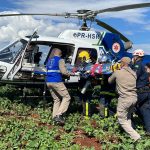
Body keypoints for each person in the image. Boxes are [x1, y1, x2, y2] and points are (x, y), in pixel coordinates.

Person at [108, 57, 141, 141]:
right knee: (128, 117)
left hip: (124, 99)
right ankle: (130, 137)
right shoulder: (134, 73)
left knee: (121, 119)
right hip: (134, 98)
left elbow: (109, 81)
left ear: (122, 63)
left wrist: (114, 71)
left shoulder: (118, 72)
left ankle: (136, 137)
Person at [46, 48, 71, 125]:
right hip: (56, 81)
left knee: (56, 99)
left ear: (54, 53)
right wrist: (68, 74)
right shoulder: (60, 60)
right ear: (60, 54)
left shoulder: (49, 60)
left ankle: (54, 117)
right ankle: (59, 115)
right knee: (67, 97)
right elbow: (63, 72)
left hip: (48, 82)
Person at [131, 49, 150, 135]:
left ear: (137, 56)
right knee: (144, 110)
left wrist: (131, 65)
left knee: (130, 109)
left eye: (134, 56)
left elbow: (133, 76)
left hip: (140, 92)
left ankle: (132, 129)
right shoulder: (143, 65)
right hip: (145, 92)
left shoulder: (137, 65)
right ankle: (148, 129)